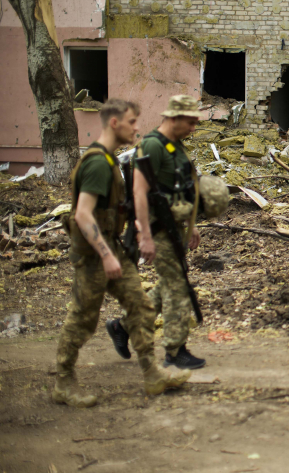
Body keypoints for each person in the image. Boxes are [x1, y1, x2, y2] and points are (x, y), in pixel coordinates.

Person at [54, 99, 190, 408]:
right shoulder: (98, 164)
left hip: (113, 248)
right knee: (83, 318)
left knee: (140, 306)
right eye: (132, 122)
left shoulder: (110, 160)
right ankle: (63, 381)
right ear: (115, 123)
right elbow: (83, 215)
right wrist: (105, 255)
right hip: (93, 256)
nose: (137, 127)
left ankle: (152, 373)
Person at [106, 95, 206, 369]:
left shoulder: (177, 147)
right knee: (176, 287)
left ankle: (123, 327)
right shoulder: (151, 145)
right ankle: (175, 350)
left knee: (169, 284)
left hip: (174, 228)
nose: (193, 128)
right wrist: (145, 236)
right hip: (156, 229)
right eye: (190, 122)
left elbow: (182, 190)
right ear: (173, 118)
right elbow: (139, 192)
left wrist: (191, 226)